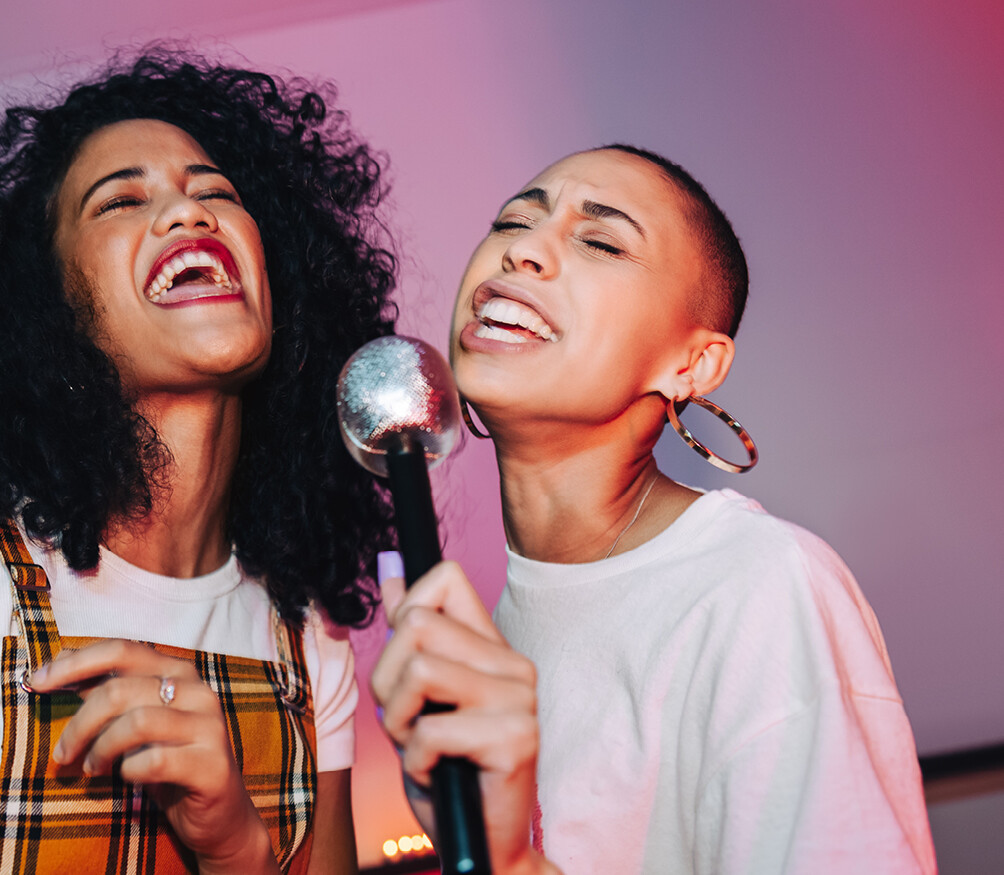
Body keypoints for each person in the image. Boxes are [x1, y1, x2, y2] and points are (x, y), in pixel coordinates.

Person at [0, 50, 397, 874]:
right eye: (123, 199)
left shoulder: (306, 638)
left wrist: (235, 845)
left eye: (217, 192)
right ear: (47, 309)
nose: (187, 214)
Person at [371, 145, 937, 874]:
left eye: (601, 240)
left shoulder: (762, 587)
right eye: (512, 222)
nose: (525, 253)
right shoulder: (488, 640)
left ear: (692, 366)